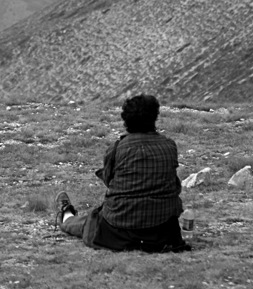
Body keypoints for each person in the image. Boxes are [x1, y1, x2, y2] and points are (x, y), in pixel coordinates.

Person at [55, 94, 190, 252]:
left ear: (126, 120)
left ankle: (66, 216)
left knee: (90, 221)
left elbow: (109, 180)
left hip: (119, 227)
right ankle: (69, 216)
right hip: (162, 229)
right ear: (154, 117)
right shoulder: (169, 146)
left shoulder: (118, 148)